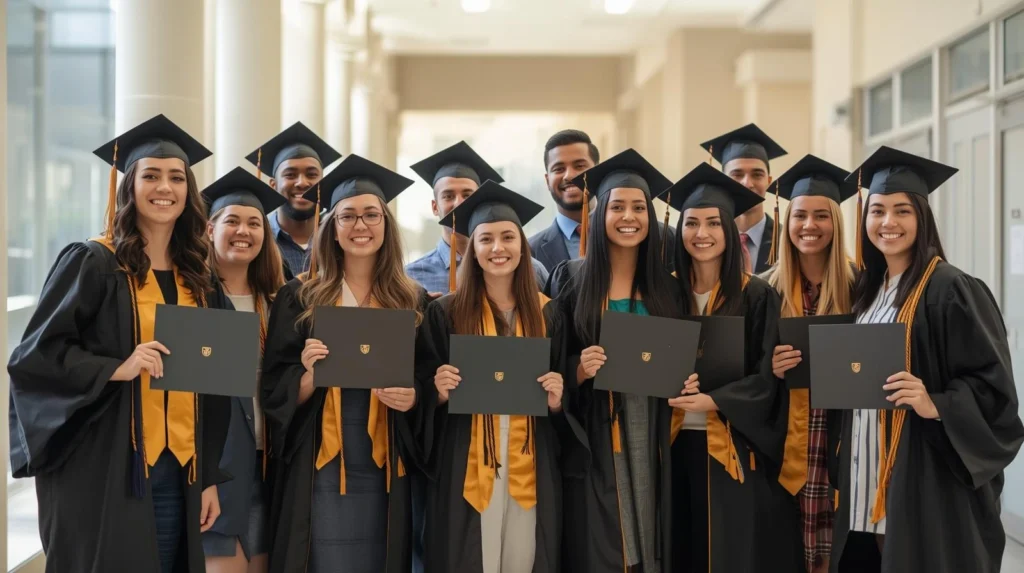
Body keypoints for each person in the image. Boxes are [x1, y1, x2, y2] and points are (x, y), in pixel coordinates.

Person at [7, 114, 230, 572]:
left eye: (175, 177)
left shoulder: (201, 279)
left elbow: (217, 385)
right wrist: (116, 367)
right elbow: (36, 358)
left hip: (177, 471)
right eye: (150, 175)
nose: (163, 187)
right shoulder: (93, 262)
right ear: (129, 185)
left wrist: (207, 478)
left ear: (189, 190)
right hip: (106, 468)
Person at [829, 146, 1024, 573]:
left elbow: (995, 392)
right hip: (866, 472)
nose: (888, 223)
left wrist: (936, 402)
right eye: (877, 211)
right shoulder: (869, 290)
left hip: (922, 475)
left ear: (922, 217)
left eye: (902, 211)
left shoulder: (951, 289)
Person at [260, 154, 430, 573]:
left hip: (386, 455)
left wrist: (414, 398)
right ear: (331, 228)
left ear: (386, 227)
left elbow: (428, 378)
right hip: (319, 457)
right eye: (348, 216)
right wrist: (307, 376)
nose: (360, 226)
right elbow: (274, 383)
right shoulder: (300, 296)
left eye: (372, 215)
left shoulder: (412, 299)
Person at [415, 181, 588, 573]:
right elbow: (419, 390)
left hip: (532, 457)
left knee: (525, 555)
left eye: (508, 237)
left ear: (522, 247)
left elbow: (569, 406)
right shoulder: (445, 314)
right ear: (471, 250)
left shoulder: (550, 315)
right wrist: (436, 393)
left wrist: (559, 400)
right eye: (486, 239)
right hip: (465, 457)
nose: (498, 248)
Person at [548, 148, 681, 573]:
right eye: (618, 206)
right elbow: (552, 363)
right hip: (596, 429)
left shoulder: (668, 288)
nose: (629, 217)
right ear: (600, 213)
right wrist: (578, 369)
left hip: (656, 424)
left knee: (653, 530)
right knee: (605, 541)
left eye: (639, 207)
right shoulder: (571, 278)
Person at [663, 162, 799, 573]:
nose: (701, 234)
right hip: (669, 447)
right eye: (691, 223)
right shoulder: (664, 292)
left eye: (712, 224)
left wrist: (715, 401)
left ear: (728, 229)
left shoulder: (756, 295)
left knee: (725, 552)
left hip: (731, 450)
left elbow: (767, 376)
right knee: (678, 548)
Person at [761, 154, 859, 573]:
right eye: (800, 215)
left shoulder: (862, 287)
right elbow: (743, 375)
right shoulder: (763, 291)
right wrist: (771, 369)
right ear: (787, 222)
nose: (809, 225)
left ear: (837, 222)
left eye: (822, 215)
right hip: (782, 446)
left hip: (838, 442)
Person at [201, 167, 288, 573]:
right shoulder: (192, 300)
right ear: (209, 229)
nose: (244, 231)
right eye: (231, 221)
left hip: (268, 464)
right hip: (217, 467)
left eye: (255, 223)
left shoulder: (276, 304)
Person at [406, 140, 549, 295]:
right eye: (448, 196)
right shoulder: (413, 276)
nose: (459, 203)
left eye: (467, 195)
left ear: (479, 199)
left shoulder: (531, 271)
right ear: (435, 207)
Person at [246, 121, 341, 277]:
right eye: (290, 175)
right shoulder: (257, 238)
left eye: (311, 175)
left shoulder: (338, 240)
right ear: (273, 185)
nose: (302, 183)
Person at [699, 123, 787, 274]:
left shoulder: (787, 241)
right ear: (722, 181)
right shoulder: (703, 240)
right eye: (737, 175)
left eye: (757, 174)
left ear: (769, 181)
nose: (747, 183)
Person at [528, 129, 600, 270]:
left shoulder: (627, 234)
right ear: (547, 180)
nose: (569, 176)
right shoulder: (529, 251)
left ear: (598, 171)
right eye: (559, 169)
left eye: (579, 166)